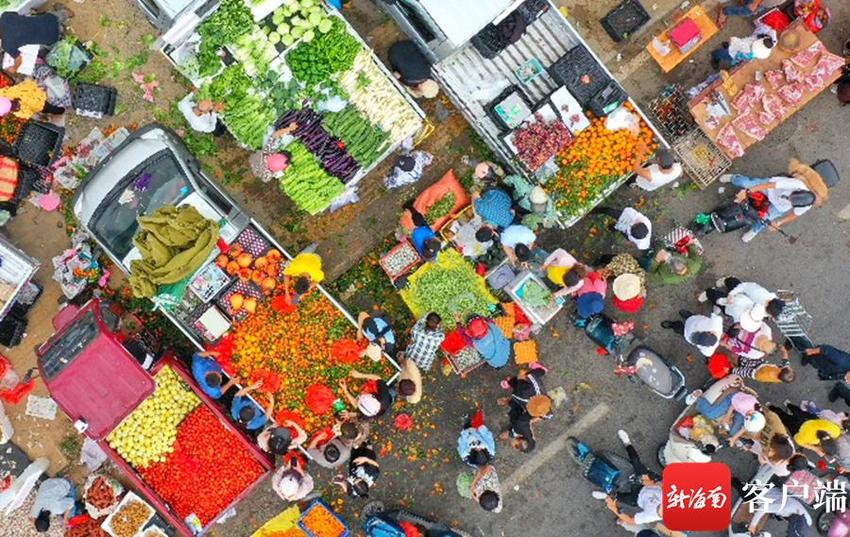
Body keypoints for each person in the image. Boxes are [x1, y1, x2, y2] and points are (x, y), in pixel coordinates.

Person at [720, 173, 817, 242]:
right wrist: (747, 192)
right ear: (798, 190)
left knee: (764, 220)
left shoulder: (806, 206)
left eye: (791, 202)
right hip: (769, 189)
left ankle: (755, 230)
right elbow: (767, 185)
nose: (788, 199)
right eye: (790, 196)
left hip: (778, 207)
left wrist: (779, 222)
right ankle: (734, 178)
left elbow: (794, 215)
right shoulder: (795, 184)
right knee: (745, 183)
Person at [694, 390, 765, 445]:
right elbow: (732, 406)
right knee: (711, 414)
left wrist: (733, 438)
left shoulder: (757, 418)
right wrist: (727, 417)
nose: (745, 418)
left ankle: (726, 420)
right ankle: (698, 397)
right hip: (734, 399)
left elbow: (745, 427)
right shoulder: (744, 405)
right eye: (746, 418)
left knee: (733, 433)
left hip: (741, 410)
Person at [746, 485, 811, 535]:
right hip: (765, 494)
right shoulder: (784, 509)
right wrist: (753, 525)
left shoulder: (808, 521)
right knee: (747, 497)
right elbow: (762, 508)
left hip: (779, 494)